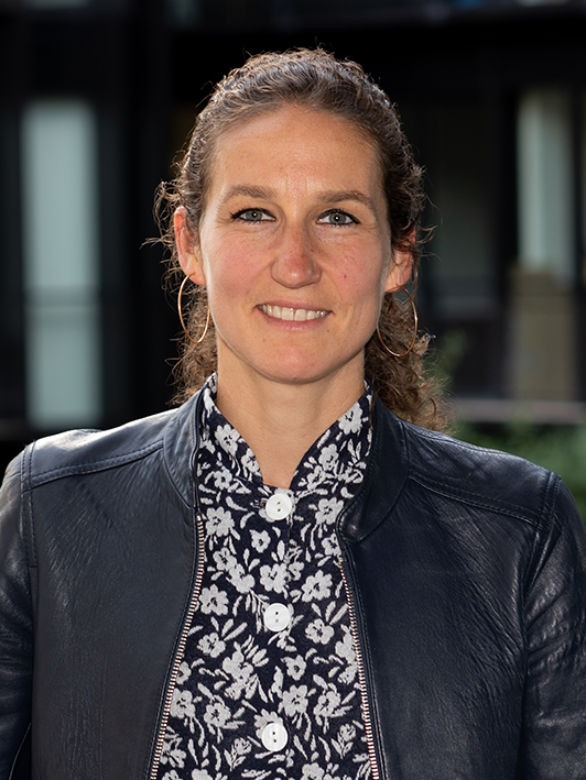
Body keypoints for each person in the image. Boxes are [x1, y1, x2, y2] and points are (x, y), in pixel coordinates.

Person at [1, 49, 585, 780]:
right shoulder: (52, 512)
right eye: (254, 214)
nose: (296, 263)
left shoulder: (520, 532)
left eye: (337, 217)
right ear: (189, 244)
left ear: (399, 254)